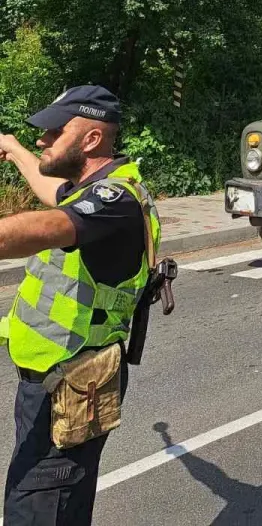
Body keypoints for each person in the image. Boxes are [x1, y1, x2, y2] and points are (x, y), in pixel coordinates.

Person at [0, 85, 160, 525]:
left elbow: (50, 224)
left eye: (53, 131)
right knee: (48, 500)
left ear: (90, 140)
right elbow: (51, 190)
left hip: (71, 383)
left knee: (38, 507)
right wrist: (12, 149)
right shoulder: (89, 192)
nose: (42, 140)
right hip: (53, 381)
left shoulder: (116, 202)